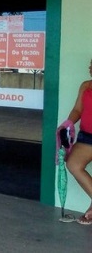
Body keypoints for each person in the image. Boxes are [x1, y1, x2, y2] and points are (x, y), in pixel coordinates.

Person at [62, 59, 92, 224]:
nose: (89, 67)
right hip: (86, 136)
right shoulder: (86, 86)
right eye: (90, 64)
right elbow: (77, 110)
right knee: (73, 164)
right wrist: (67, 124)